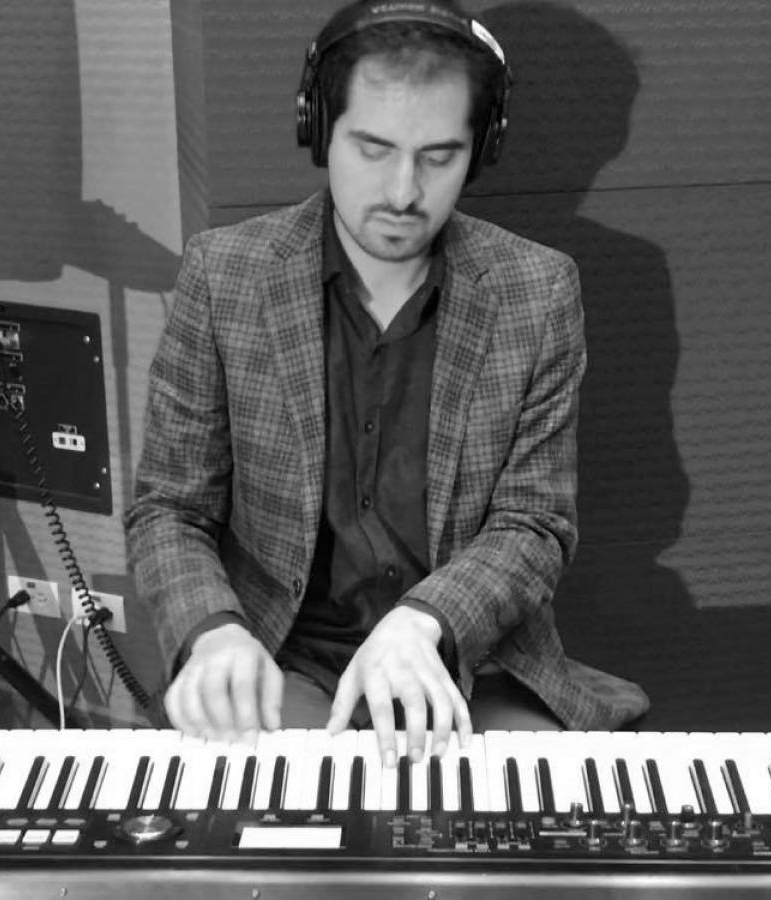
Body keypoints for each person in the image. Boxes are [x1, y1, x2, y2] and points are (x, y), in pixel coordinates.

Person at [125, 0, 648, 768]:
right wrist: (212, 630)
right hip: (285, 661)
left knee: (525, 828)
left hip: (468, 662)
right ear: (318, 130)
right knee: (269, 828)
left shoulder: (537, 290)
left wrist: (424, 620)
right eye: (373, 149)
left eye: (438, 157)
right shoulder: (223, 273)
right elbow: (169, 509)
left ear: (481, 150)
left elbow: (536, 525)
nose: (403, 192)